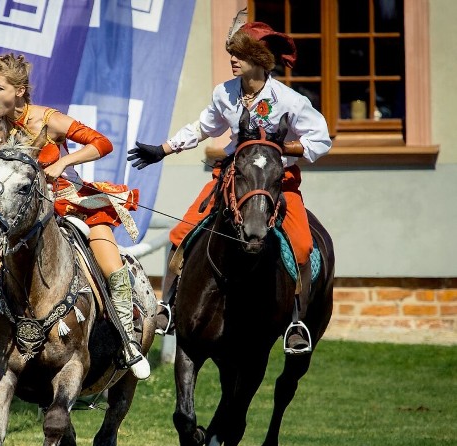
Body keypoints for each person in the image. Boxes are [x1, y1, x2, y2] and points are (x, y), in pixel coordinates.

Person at [0, 42, 150, 379]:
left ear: (18, 91)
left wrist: (64, 160)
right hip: (24, 214)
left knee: (112, 266)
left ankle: (128, 344)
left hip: (69, 202)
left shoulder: (49, 120)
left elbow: (101, 144)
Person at [127, 21, 331, 353]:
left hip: (277, 182)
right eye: (232, 54)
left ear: (260, 60)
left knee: (303, 245)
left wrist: (281, 148)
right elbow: (203, 127)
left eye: (240, 55)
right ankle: (168, 306)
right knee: (181, 234)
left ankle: (295, 321)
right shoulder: (224, 93)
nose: (233, 61)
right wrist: (162, 149)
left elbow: (321, 140)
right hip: (231, 178)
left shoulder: (289, 100)